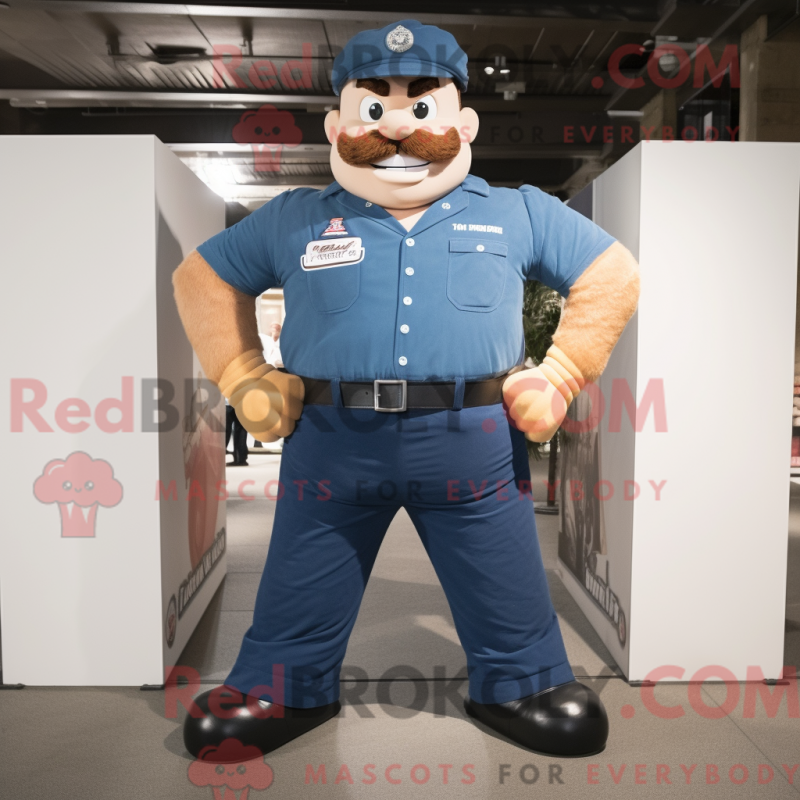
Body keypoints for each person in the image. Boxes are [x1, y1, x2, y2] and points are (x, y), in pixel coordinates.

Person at [173, 19, 640, 761]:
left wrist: (560, 373)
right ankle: (283, 686)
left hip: (472, 441)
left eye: (421, 106)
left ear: (464, 123)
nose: (395, 126)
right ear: (337, 127)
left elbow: (610, 272)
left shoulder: (516, 211)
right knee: (303, 567)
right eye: (374, 107)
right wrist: (243, 375)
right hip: (332, 440)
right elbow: (202, 277)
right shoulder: (297, 217)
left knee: (503, 570)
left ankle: (521, 682)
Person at [224, 398, 249, 466]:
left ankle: (218, 457)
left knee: (225, 431)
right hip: (242, 402)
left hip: (227, 403)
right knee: (241, 430)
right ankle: (240, 459)